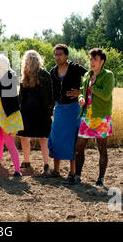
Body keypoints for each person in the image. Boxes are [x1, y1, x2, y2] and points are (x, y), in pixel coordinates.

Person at [47, 44, 88, 185]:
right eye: (55, 54)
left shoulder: (76, 68)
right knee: (55, 138)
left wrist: (81, 92)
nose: (57, 57)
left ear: (66, 55)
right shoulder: (53, 71)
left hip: (74, 109)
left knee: (73, 140)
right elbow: (53, 92)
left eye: (60, 54)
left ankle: (72, 172)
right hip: (59, 108)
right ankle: (56, 170)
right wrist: (51, 107)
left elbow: (91, 79)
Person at [75, 48, 115, 188]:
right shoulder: (87, 74)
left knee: (101, 148)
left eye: (95, 59)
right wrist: (81, 98)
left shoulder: (108, 76)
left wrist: (93, 86)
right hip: (87, 116)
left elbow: (105, 95)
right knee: (79, 146)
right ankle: (77, 175)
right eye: (91, 59)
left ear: (102, 61)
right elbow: (82, 91)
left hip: (101, 117)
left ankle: (101, 178)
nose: (92, 62)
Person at [17, 50, 54, 176]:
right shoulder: (24, 75)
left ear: (33, 60)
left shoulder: (44, 75)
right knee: (23, 136)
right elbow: (21, 96)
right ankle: (26, 162)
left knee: (43, 138)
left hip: (41, 111)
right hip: (26, 111)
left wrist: (49, 111)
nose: (25, 61)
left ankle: (46, 165)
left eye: (27, 59)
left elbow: (50, 95)